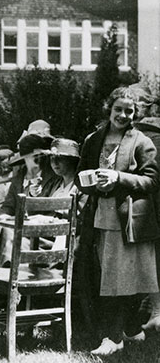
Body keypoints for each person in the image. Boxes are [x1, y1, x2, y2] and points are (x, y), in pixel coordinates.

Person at [76, 86, 160, 355]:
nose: (123, 115)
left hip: (131, 219)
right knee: (109, 279)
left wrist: (118, 178)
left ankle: (117, 337)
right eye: (118, 109)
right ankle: (128, 332)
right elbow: (80, 176)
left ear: (135, 113)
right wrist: (92, 184)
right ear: (109, 109)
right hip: (101, 217)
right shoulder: (93, 140)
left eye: (129, 110)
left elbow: (152, 180)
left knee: (131, 280)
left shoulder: (141, 142)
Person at [0, 133, 58, 268]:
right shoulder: (19, 179)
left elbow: (52, 212)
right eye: (34, 157)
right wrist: (4, 217)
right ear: (25, 159)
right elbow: (8, 206)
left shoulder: (52, 178)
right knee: (1, 231)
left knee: (4, 235)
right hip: (16, 233)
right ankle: (0, 276)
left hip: (39, 238)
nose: (38, 161)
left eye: (40, 156)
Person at [128, 84, 160, 333]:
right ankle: (151, 306)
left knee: (150, 255)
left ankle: (155, 309)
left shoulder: (139, 134)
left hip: (148, 200)